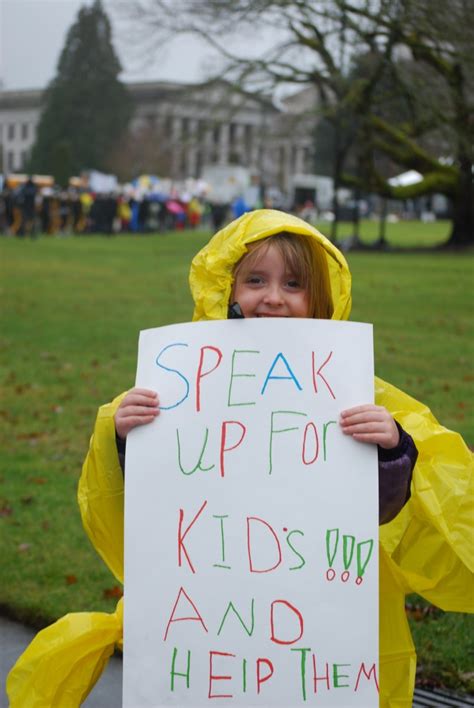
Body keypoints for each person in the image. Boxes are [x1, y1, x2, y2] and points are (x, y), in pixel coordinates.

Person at [7, 210, 473, 708]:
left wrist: (394, 451)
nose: (273, 297)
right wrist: (125, 439)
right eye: (255, 280)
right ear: (226, 291)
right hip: (213, 633)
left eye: (294, 283)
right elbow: (124, 514)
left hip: (323, 644)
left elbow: (397, 521)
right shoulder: (181, 389)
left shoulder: (359, 400)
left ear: (321, 298)